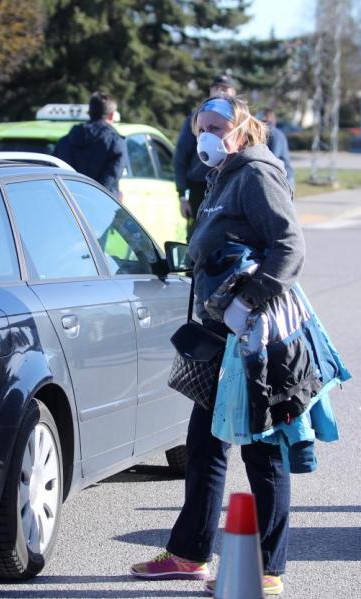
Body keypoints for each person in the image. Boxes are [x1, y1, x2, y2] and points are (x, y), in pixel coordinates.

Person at [130, 96, 305, 596]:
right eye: (201, 126)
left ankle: (269, 567)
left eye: (217, 126)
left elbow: (289, 244)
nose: (207, 135)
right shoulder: (222, 173)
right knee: (204, 446)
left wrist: (252, 299)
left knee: (262, 448)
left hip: (253, 335)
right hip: (219, 333)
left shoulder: (256, 173)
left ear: (241, 130)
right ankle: (189, 555)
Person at [174, 73, 238, 235]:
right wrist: (183, 196)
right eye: (216, 88)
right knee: (197, 238)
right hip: (200, 188)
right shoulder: (197, 119)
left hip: (232, 186)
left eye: (225, 88)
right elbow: (180, 158)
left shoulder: (242, 122)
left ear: (234, 92)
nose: (220, 92)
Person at [54, 92, 127, 196]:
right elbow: (112, 177)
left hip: (68, 203)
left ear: (89, 113)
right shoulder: (115, 143)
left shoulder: (64, 141)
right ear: (111, 115)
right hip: (102, 204)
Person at [262, 108, 295, 191]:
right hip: (276, 176)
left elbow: (273, 157)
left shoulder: (275, 134)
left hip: (283, 177)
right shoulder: (267, 133)